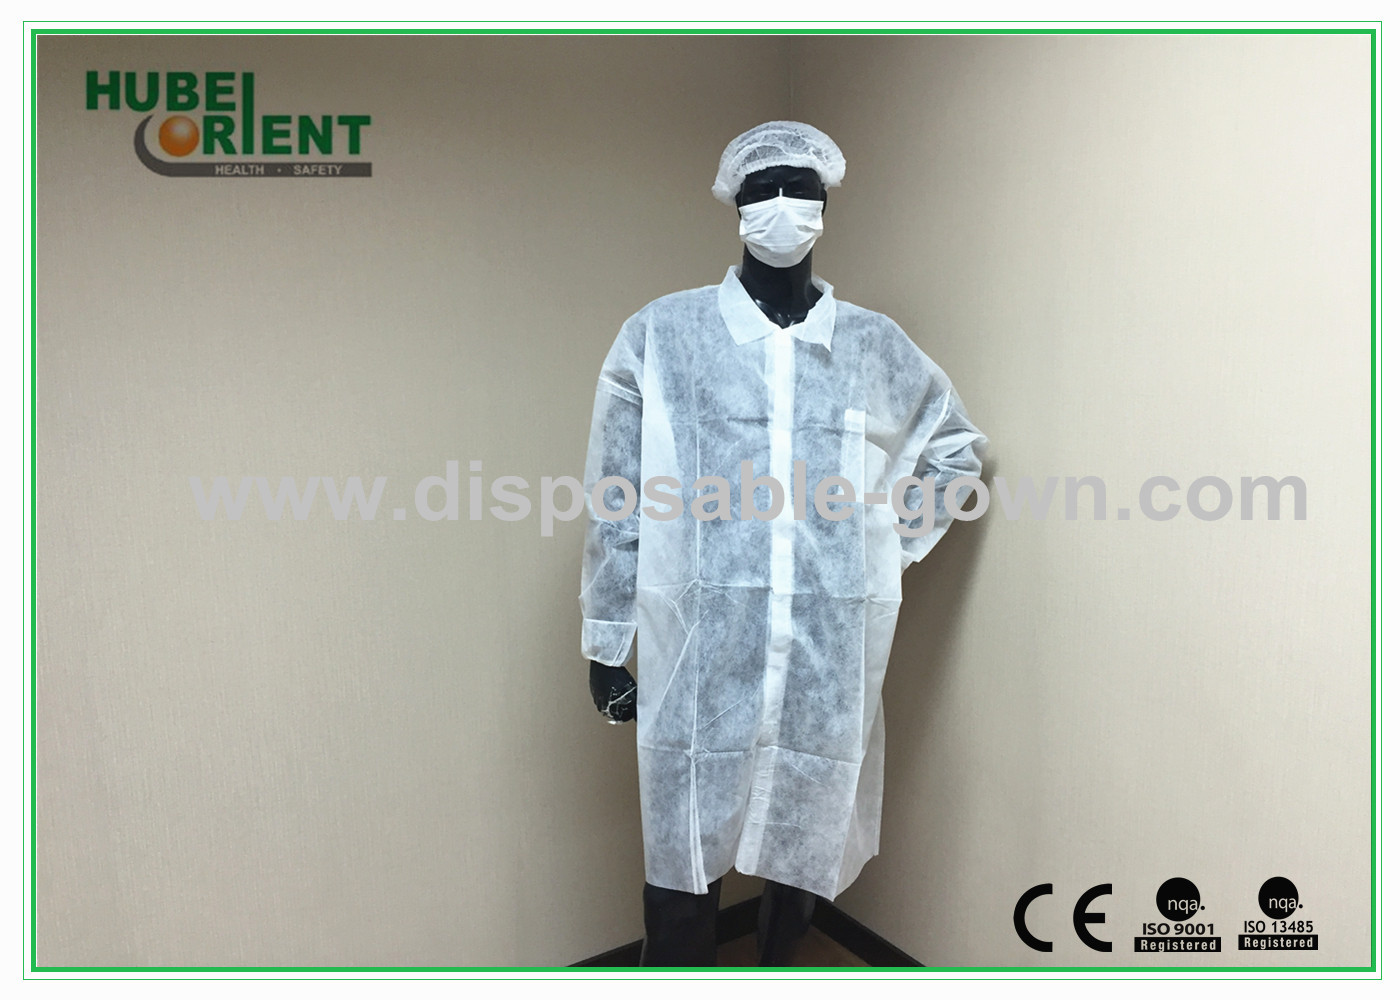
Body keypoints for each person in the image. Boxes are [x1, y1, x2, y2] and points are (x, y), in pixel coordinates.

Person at [580, 121, 987, 966]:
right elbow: (618, 494)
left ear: (825, 204)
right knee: (681, 866)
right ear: (735, 207)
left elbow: (954, 451)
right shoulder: (663, 335)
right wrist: (606, 640)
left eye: (800, 189)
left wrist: (883, 546)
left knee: (803, 849)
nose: (781, 206)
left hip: (823, 653)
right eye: (761, 190)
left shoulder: (871, 345)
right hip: (698, 653)